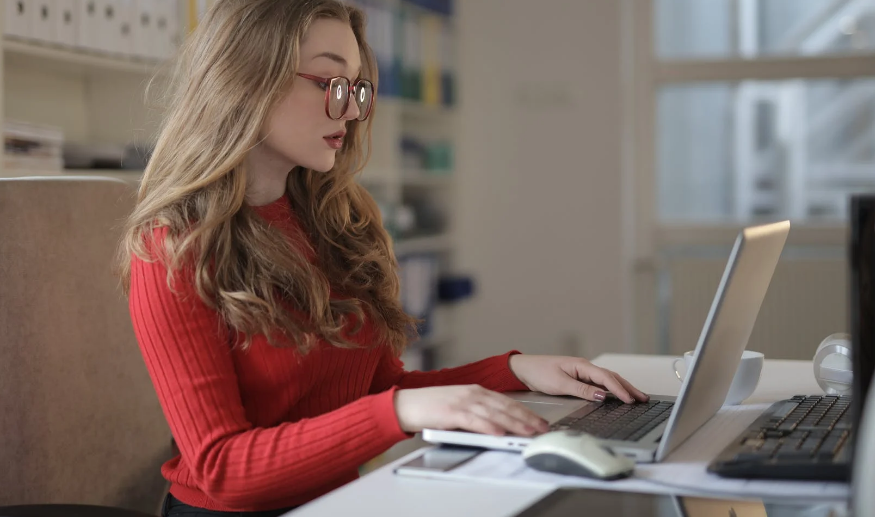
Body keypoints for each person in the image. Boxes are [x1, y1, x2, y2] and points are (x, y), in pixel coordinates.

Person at [118, 1, 649, 515]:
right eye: (331, 84)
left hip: (342, 501)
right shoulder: (174, 246)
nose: (350, 109)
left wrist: (513, 370)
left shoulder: (336, 220)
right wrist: (397, 411)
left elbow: (375, 393)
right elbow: (220, 467)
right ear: (249, 80)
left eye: (356, 88)